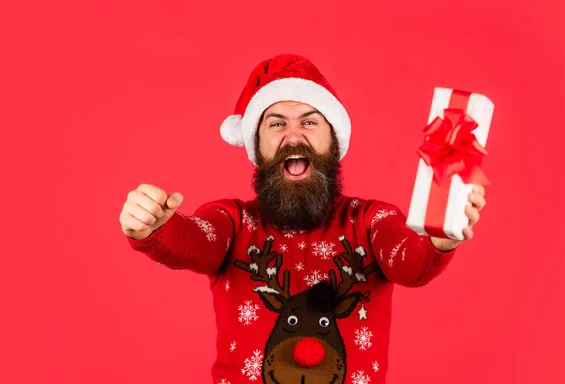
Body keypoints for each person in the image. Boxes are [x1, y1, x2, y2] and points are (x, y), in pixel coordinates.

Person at [119, 53, 487, 384]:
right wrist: (156, 227)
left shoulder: (373, 220)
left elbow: (410, 261)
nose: (294, 136)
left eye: (310, 122)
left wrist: (441, 238)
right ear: (257, 146)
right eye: (276, 124)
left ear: (333, 140)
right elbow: (192, 239)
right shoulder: (231, 221)